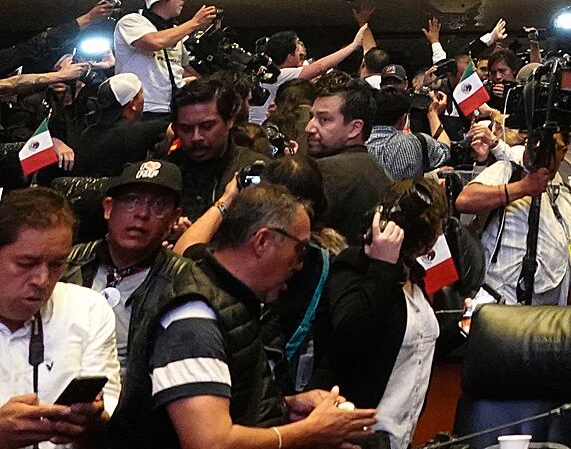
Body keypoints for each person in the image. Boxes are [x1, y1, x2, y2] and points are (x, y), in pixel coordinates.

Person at [115, 185, 380, 449]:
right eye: (300, 250)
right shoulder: (193, 317)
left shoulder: (235, 300)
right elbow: (209, 443)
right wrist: (311, 431)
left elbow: (229, 406)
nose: (300, 265)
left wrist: (286, 406)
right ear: (262, 241)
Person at [318, 179, 447, 449]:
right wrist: (382, 266)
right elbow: (349, 333)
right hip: (358, 437)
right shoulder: (353, 267)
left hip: (400, 438)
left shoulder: (417, 277)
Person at [0, 188, 116, 449]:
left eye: (56, 265)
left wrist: (92, 424)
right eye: (26, 263)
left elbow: (107, 426)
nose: (42, 280)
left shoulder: (88, 309)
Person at [454, 117, 571, 306]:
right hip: (501, 305)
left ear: (563, 151)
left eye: (550, 144)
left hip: (551, 312)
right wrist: (523, 188)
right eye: (535, 141)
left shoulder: (570, 194)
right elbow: (464, 200)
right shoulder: (509, 172)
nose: (539, 148)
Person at [62, 161, 190, 380]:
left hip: (138, 404)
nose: (142, 213)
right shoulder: (65, 264)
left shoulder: (184, 283)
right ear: (108, 208)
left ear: (173, 220)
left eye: (158, 204)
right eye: (131, 200)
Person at [113, 0, 215, 120]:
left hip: (173, 108)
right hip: (141, 109)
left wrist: (209, 86)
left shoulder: (174, 30)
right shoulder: (131, 21)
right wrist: (194, 23)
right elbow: (155, 42)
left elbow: (183, 68)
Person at [303, 84, 392, 238]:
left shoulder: (323, 171)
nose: (309, 128)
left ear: (355, 128)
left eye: (324, 119)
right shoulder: (378, 171)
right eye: (312, 117)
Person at [166, 78, 260, 222]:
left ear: (229, 121)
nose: (196, 137)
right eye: (186, 129)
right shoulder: (166, 170)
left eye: (207, 126)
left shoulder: (254, 168)